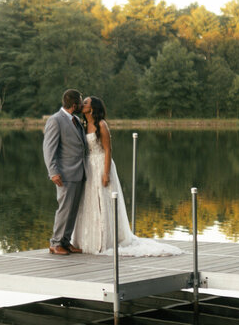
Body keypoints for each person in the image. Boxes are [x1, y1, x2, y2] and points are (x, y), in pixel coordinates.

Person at [70, 96, 182, 257]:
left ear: (92, 107)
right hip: (88, 167)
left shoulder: (101, 125)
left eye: (85, 103)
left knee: (103, 200)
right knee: (89, 202)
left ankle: (105, 240)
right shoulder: (83, 125)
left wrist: (106, 173)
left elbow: (108, 150)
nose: (82, 105)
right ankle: (88, 239)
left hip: (101, 164)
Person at [42, 88, 87, 255]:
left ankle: (66, 242)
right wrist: (53, 172)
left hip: (79, 172)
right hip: (64, 174)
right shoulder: (55, 120)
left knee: (73, 209)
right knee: (64, 209)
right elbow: (48, 149)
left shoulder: (76, 119)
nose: (83, 104)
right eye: (81, 102)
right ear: (74, 104)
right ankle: (55, 243)